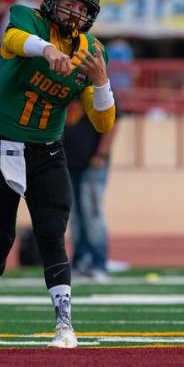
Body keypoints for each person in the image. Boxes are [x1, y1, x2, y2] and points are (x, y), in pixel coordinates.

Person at [0, 0, 115, 349]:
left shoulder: (91, 50)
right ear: (53, 2)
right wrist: (48, 50)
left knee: (53, 233)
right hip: (1, 143)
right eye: (69, 3)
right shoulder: (26, 19)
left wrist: (101, 83)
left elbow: (103, 122)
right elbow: (14, 40)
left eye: (82, 8)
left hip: (47, 149)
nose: (74, 13)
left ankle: (64, 324)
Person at [63, 96, 119, 281]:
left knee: (92, 213)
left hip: (92, 164)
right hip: (69, 163)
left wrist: (101, 154)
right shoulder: (66, 86)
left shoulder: (97, 87)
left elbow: (112, 122)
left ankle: (98, 263)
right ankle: (81, 262)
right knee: (75, 217)